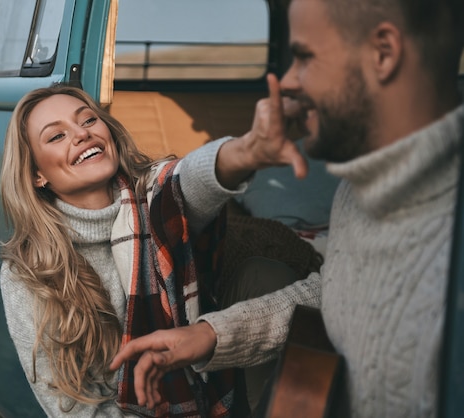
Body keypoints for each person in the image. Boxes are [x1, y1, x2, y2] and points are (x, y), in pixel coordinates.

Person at [110, 0, 464, 416]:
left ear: (384, 52)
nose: (287, 81)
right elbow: (338, 292)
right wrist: (211, 335)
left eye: (304, 57)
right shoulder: (355, 192)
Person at [0, 84, 321, 417]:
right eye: (56, 137)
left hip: (213, 378)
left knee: (264, 275)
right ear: (37, 175)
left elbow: (190, 180)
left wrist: (248, 151)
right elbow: (70, 405)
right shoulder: (29, 271)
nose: (81, 134)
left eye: (88, 120)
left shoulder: (156, 195)